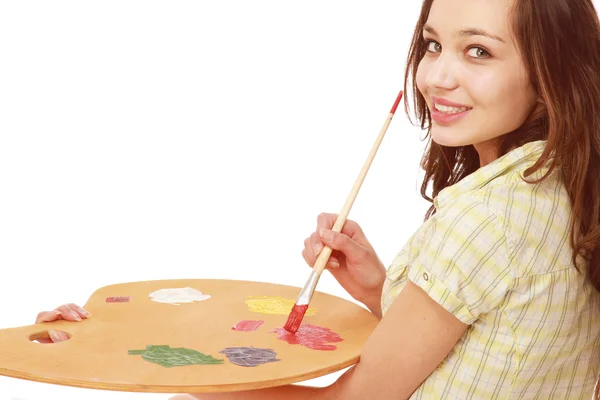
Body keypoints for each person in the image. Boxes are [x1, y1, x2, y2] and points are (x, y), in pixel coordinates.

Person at [35, 0, 600, 398]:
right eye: (432, 45)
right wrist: (382, 288)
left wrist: (155, 360)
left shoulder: (484, 219)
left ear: (552, 73)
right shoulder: (560, 191)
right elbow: (493, 338)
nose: (437, 77)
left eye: (479, 51)